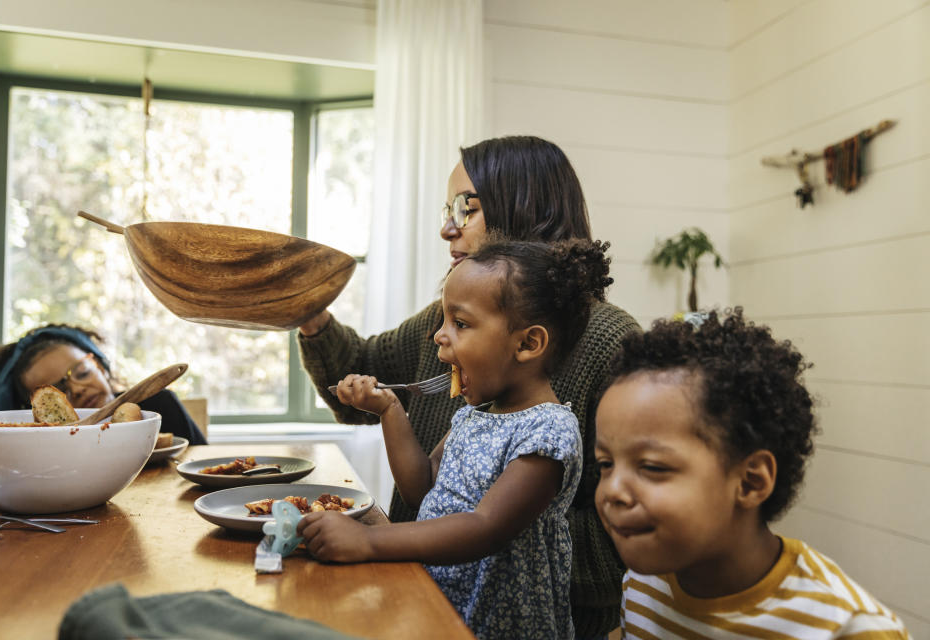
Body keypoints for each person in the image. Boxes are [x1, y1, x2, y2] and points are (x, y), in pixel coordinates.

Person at [297, 135, 640, 637]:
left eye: (466, 207)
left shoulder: (613, 344)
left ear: (525, 210)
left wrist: (471, 535)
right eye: (447, 208)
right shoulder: (453, 321)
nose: (446, 226)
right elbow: (361, 375)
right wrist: (308, 312)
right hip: (422, 597)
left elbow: (623, 531)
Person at [594, 308, 911, 638]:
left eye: (652, 467)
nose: (613, 490)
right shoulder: (644, 584)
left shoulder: (848, 629)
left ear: (750, 482)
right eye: (605, 464)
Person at [0, 324, 206, 444]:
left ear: (101, 367)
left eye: (82, 373)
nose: (78, 389)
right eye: (58, 392)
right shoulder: (39, 447)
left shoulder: (158, 406)